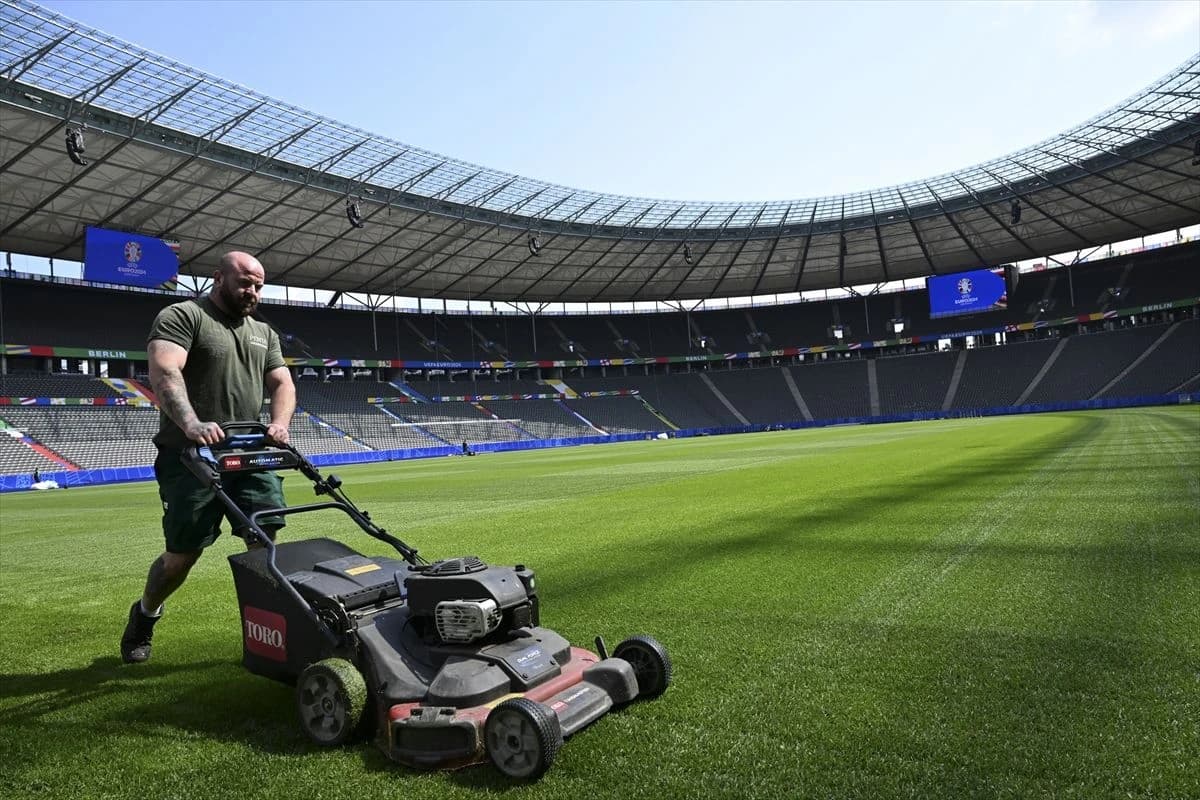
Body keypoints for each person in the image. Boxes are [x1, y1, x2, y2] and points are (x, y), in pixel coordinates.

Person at [120, 251, 295, 664]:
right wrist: (191, 423)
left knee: (263, 542)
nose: (252, 291)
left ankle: (268, 637)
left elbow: (282, 383)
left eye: (258, 285)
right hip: (189, 456)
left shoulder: (263, 333)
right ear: (218, 277)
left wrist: (280, 423)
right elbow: (165, 371)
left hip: (247, 450)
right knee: (183, 555)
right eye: (244, 282)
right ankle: (145, 613)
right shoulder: (183, 316)